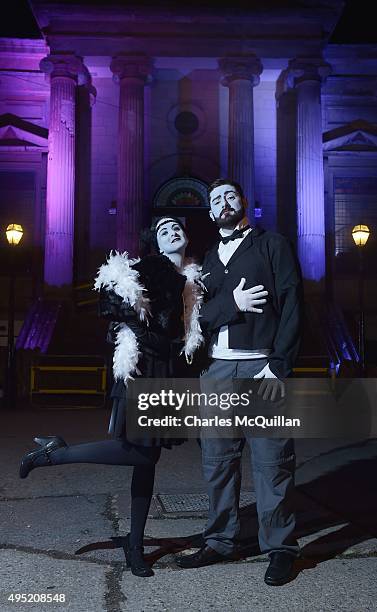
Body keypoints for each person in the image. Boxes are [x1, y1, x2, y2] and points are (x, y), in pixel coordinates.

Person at [19, 217, 203, 578]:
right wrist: (142, 330)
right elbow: (109, 295)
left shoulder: (195, 277)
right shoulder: (152, 266)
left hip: (168, 371)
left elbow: (190, 328)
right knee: (140, 452)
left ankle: (135, 545)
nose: (172, 232)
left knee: (147, 460)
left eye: (177, 227)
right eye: (163, 230)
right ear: (155, 242)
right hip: (144, 368)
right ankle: (56, 454)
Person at [176, 179, 303, 586]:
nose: (224, 203)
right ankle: (220, 541)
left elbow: (292, 303)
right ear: (211, 214)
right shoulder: (209, 259)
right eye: (215, 200)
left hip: (261, 367)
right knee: (217, 462)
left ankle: (280, 548)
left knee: (272, 463)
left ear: (243, 202)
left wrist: (278, 365)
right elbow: (200, 319)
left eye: (230, 195)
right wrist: (231, 303)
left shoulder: (272, 245)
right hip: (217, 370)